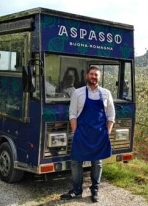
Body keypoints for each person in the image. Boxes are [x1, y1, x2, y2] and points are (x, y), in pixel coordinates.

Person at [60, 66, 115, 203]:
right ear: (86, 76)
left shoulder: (106, 93)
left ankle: (95, 190)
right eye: (91, 74)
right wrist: (75, 131)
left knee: (97, 163)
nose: (93, 77)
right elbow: (72, 114)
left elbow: (111, 115)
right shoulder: (78, 93)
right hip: (81, 133)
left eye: (96, 75)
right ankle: (77, 190)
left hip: (99, 135)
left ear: (99, 77)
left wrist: (106, 133)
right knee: (76, 162)